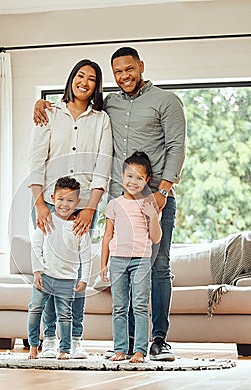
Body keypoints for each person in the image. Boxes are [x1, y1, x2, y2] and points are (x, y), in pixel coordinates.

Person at [33, 47, 186, 361]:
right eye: (118, 72)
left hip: (155, 198)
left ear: (141, 66)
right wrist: (40, 104)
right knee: (121, 269)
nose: (125, 76)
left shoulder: (166, 102)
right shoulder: (108, 106)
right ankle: (127, 342)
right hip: (118, 203)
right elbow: (74, 112)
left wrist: (163, 192)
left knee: (157, 267)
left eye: (130, 69)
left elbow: (176, 146)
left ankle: (157, 339)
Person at [28, 59, 113, 359]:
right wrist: (40, 204)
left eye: (92, 78)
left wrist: (91, 208)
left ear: (97, 86)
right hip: (49, 203)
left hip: (83, 206)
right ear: (71, 79)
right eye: (80, 75)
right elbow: (37, 160)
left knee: (76, 276)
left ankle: (75, 338)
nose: (85, 82)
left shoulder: (101, 119)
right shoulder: (50, 112)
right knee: (49, 274)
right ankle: (49, 339)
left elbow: (104, 164)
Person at [101, 151, 162, 362]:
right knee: (119, 306)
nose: (133, 181)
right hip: (117, 260)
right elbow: (107, 236)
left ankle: (140, 351)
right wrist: (104, 264)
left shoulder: (149, 204)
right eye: (129, 176)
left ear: (146, 180)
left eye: (139, 178)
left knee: (140, 305)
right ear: (122, 176)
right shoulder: (114, 204)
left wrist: (153, 216)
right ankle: (120, 349)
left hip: (141, 261)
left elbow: (155, 238)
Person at [28, 177, 91, 360]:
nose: (64, 204)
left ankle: (65, 349)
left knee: (65, 316)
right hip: (45, 276)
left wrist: (84, 279)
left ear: (77, 202)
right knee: (35, 310)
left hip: (68, 280)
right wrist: (37, 271)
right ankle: (34, 347)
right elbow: (36, 247)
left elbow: (86, 256)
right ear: (53, 197)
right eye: (61, 199)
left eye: (70, 200)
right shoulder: (46, 221)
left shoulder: (78, 227)